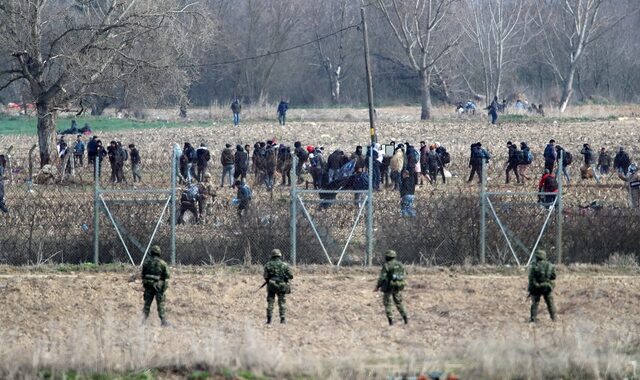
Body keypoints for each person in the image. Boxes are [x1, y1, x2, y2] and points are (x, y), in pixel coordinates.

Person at [374, 250, 408, 326]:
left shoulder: (387, 265)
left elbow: (382, 278)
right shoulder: (400, 264)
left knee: (388, 304)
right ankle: (405, 318)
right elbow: (404, 275)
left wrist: (377, 286)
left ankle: (390, 321)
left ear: (387, 257)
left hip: (388, 287)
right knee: (399, 303)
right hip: (398, 286)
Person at [141, 245, 170, 326]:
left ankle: (143, 321)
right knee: (160, 304)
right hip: (158, 287)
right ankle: (163, 321)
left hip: (148, 286)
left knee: (147, 304)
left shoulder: (146, 262)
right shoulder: (162, 263)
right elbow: (167, 275)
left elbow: (143, 274)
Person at [262, 249, 293, 324]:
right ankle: (282, 319)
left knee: (270, 302)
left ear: (272, 256)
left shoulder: (268, 264)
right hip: (282, 285)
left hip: (271, 285)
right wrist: (285, 278)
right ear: (280, 255)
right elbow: (291, 276)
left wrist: (270, 279)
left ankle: (269, 319)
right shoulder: (284, 265)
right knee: (282, 302)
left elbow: (265, 276)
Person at [528, 249, 557, 323]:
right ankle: (554, 318)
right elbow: (554, 276)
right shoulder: (550, 265)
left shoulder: (534, 266)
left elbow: (531, 278)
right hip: (547, 287)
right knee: (550, 303)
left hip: (536, 287)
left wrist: (531, 288)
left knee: (535, 304)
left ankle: (533, 319)